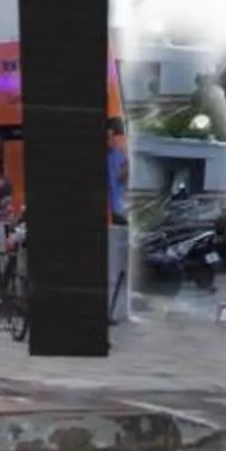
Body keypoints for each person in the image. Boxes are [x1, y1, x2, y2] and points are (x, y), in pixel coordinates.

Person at [105, 124, 130, 324]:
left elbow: (123, 178)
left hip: (117, 211)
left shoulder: (117, 155)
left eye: (111, 136)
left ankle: (114, 308)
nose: (109, 139)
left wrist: (128, 167)